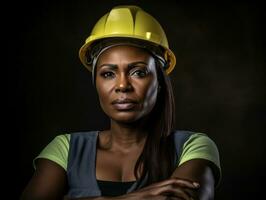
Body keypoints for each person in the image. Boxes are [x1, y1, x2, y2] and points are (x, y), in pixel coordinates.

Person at [21, 5, 221, 200]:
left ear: (159, 82)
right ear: (96, 83)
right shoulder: (65, 148)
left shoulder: (192, 147)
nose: (122, 85)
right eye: (108, 73)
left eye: (139, 72)